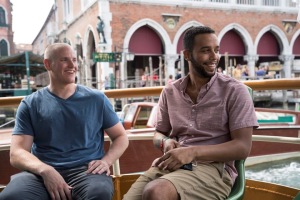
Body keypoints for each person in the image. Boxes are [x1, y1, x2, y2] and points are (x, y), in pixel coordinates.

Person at [123, 26, 258, 200]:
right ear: (187, 55)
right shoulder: (170, 91)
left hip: (215, 170)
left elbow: (242, 147)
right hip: (173, 164)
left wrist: (192, 152)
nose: (214, 57)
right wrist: (166, 142)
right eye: (205, 51)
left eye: (216, 50)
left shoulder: (235, 91)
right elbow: (158, 133)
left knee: (156, 192)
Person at [0, 43, 129, 200]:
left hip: (87, 171)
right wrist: (45, 170)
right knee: (12, 196)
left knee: (99, 193)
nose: (72, 65)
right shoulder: (30, 104)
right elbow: (17, 153)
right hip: (42, 172)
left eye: (74, 60)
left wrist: (106, 161)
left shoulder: (97, 99)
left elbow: (121, 137)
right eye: (64, 60)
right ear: (48, 64)